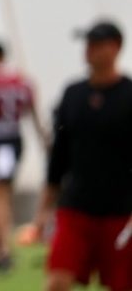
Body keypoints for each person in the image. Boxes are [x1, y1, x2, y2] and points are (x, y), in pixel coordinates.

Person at [30, 20, 132, 291]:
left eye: (96, 44)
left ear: (116, 47)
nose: (88, 50)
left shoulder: (128, 95)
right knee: (57, 281)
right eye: (87, 44)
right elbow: (59, 157)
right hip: (76, 208)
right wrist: (43, 210)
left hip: (121, 212)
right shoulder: (73, 94)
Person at [0, 41, 48, 269]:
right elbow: (33, 112)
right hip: (11, 139)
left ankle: (2, 248)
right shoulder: (22, 81)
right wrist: (43, 139)